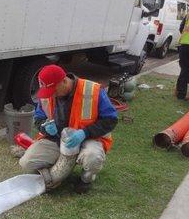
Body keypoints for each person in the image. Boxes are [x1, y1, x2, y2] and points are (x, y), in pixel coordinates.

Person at [19, 64, 118, 193]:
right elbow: (38, 118)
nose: (52, 95)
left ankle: (85, 179)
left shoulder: (93, 90)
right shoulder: (47, 94)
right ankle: (58, 167)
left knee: (93, 157)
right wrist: (45, 127)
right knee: (26, 163)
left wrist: (85, 132)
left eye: (54, 91)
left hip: (87, 139)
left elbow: (111, 119)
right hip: (56, 139)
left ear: (64, 81)